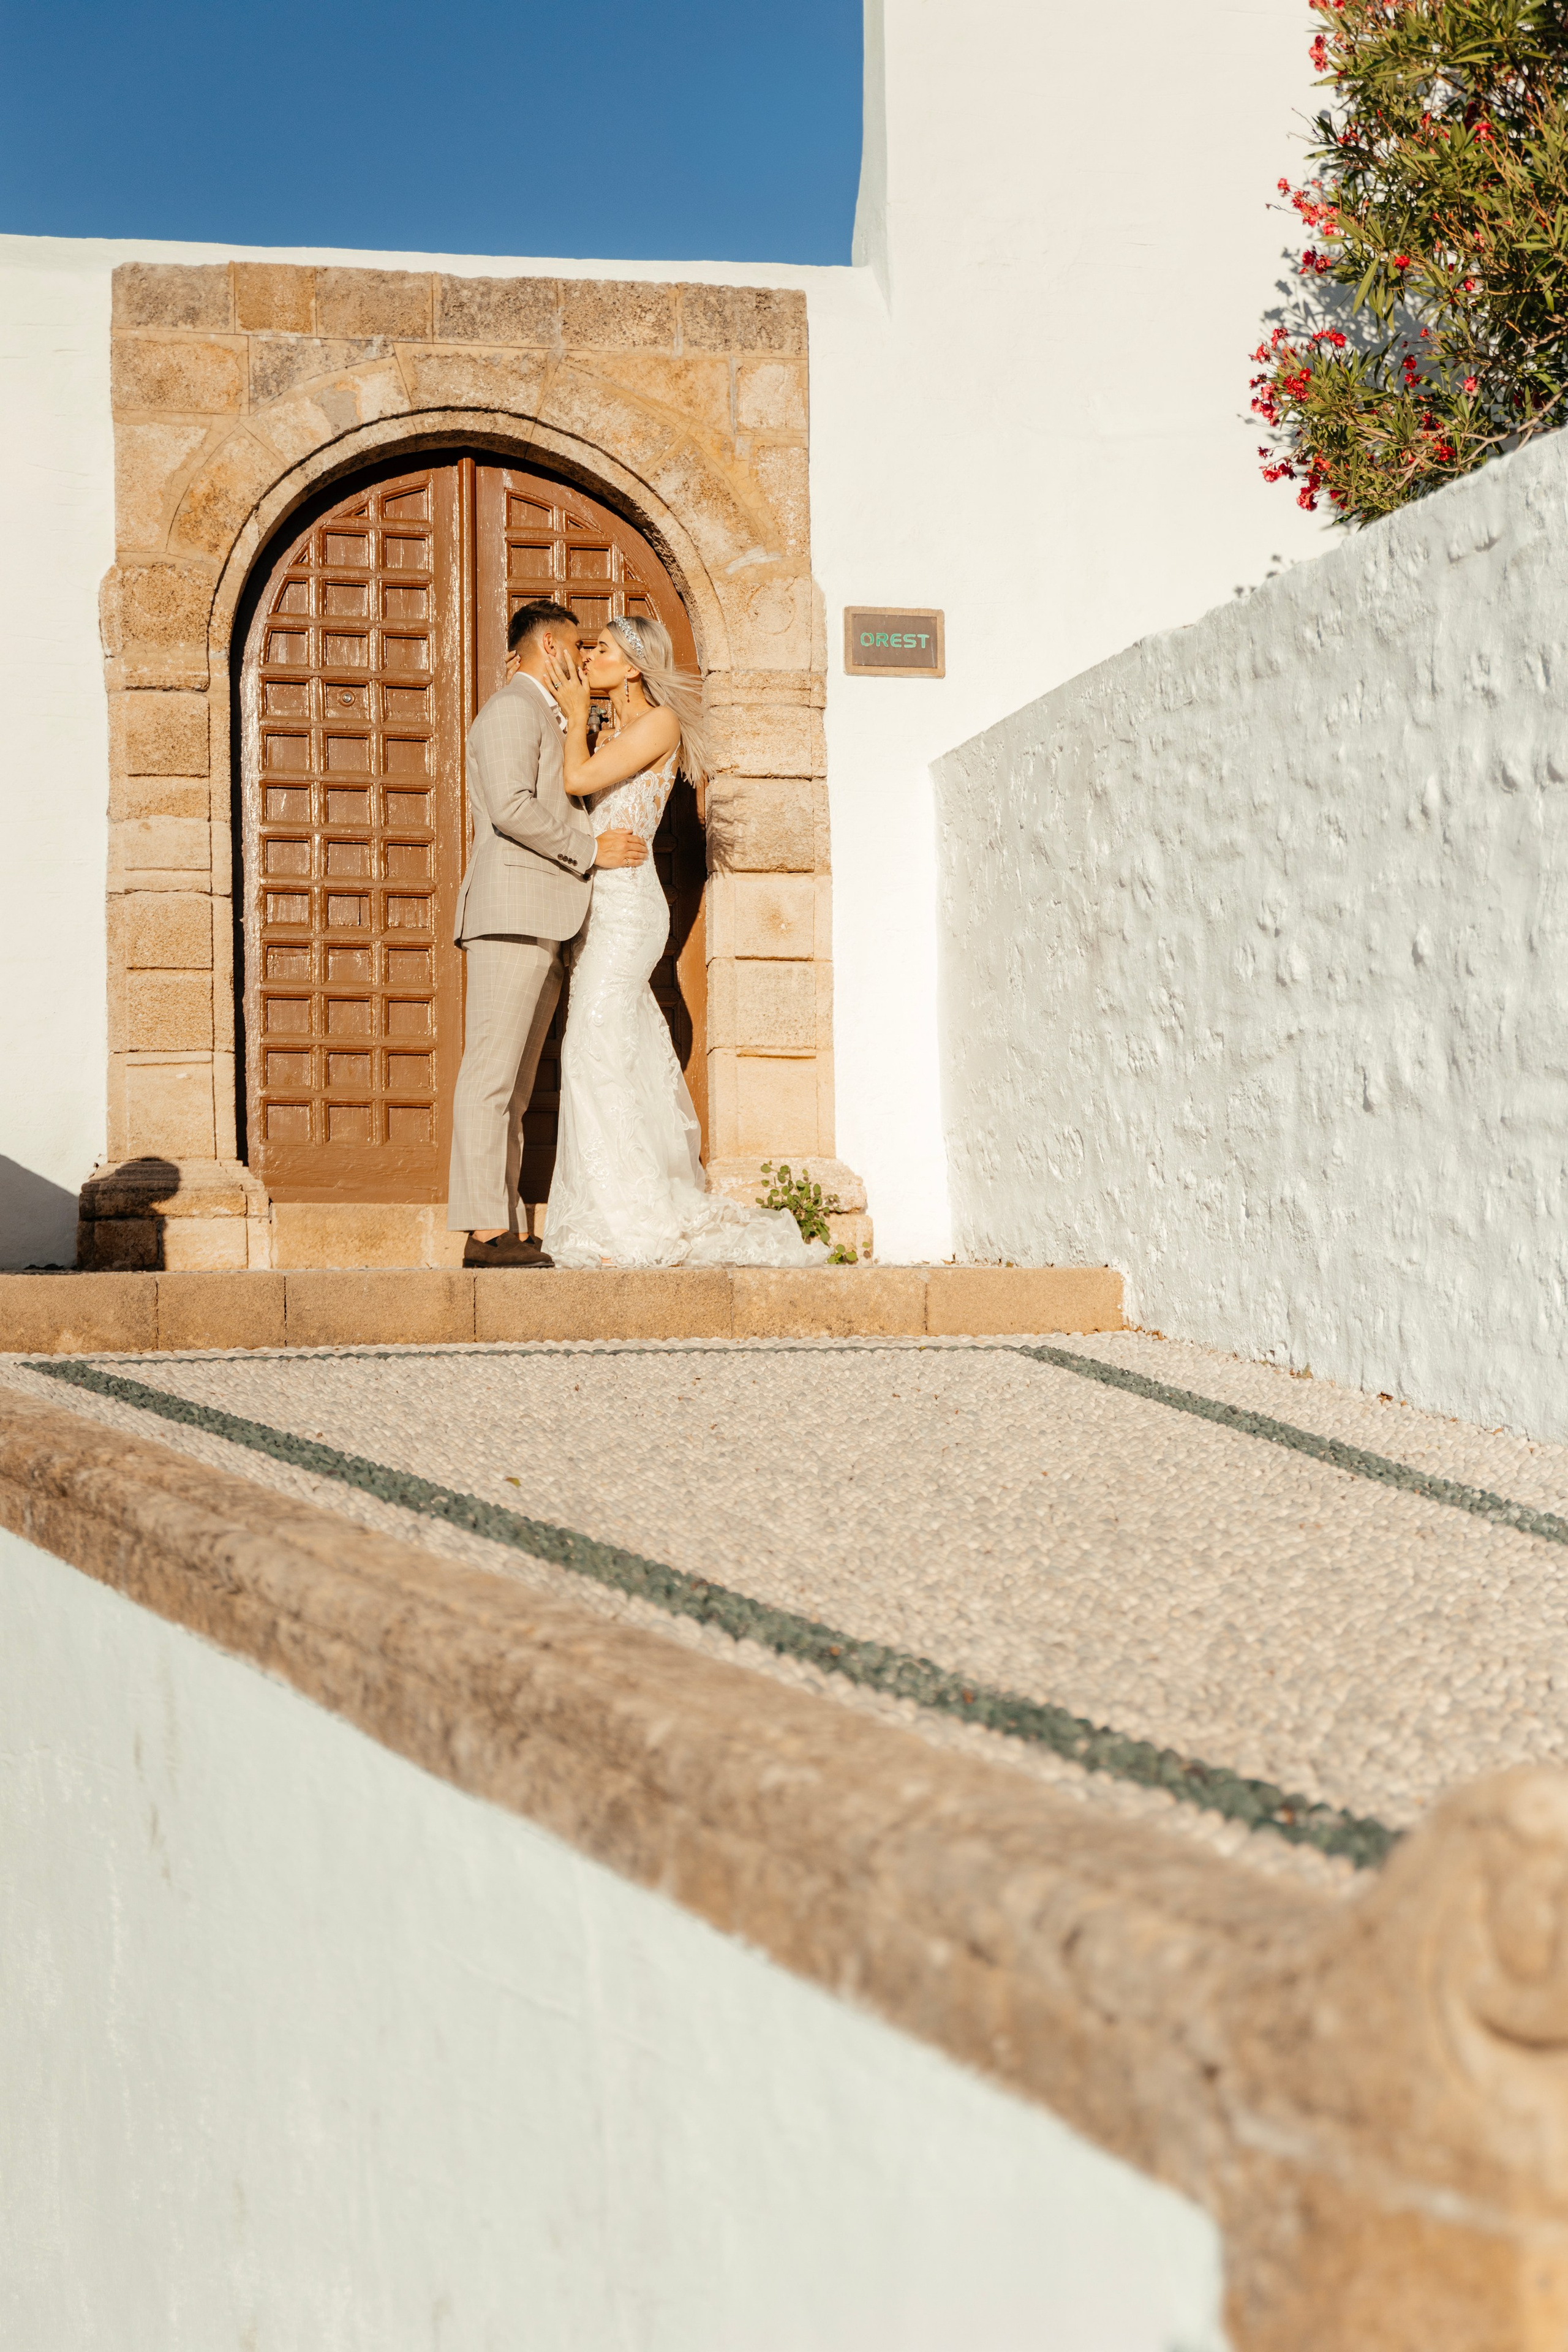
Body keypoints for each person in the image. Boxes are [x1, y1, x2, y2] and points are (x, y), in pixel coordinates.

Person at [541, 614, 828, 1269]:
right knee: (609, 1050)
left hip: (630, 911)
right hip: (598, 908)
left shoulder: (658, 724)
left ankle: (628, 1217)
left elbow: (579, 783)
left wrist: (577, 714)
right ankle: (617, 1203)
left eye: (604, 651)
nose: (590, 659)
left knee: (592, 1043)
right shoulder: (612, 728)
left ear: (636, 665)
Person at [446, 598, 648, 1267]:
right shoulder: (512, 708)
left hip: (543, 917)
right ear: (551, 649)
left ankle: (500, 1223)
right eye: (578, 646)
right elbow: (509, 807)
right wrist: (589, 850)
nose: (585, 657)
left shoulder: (551, 712)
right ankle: (482, 1233)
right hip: (510, 915)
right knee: (491, 1077)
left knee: (516, 1084)